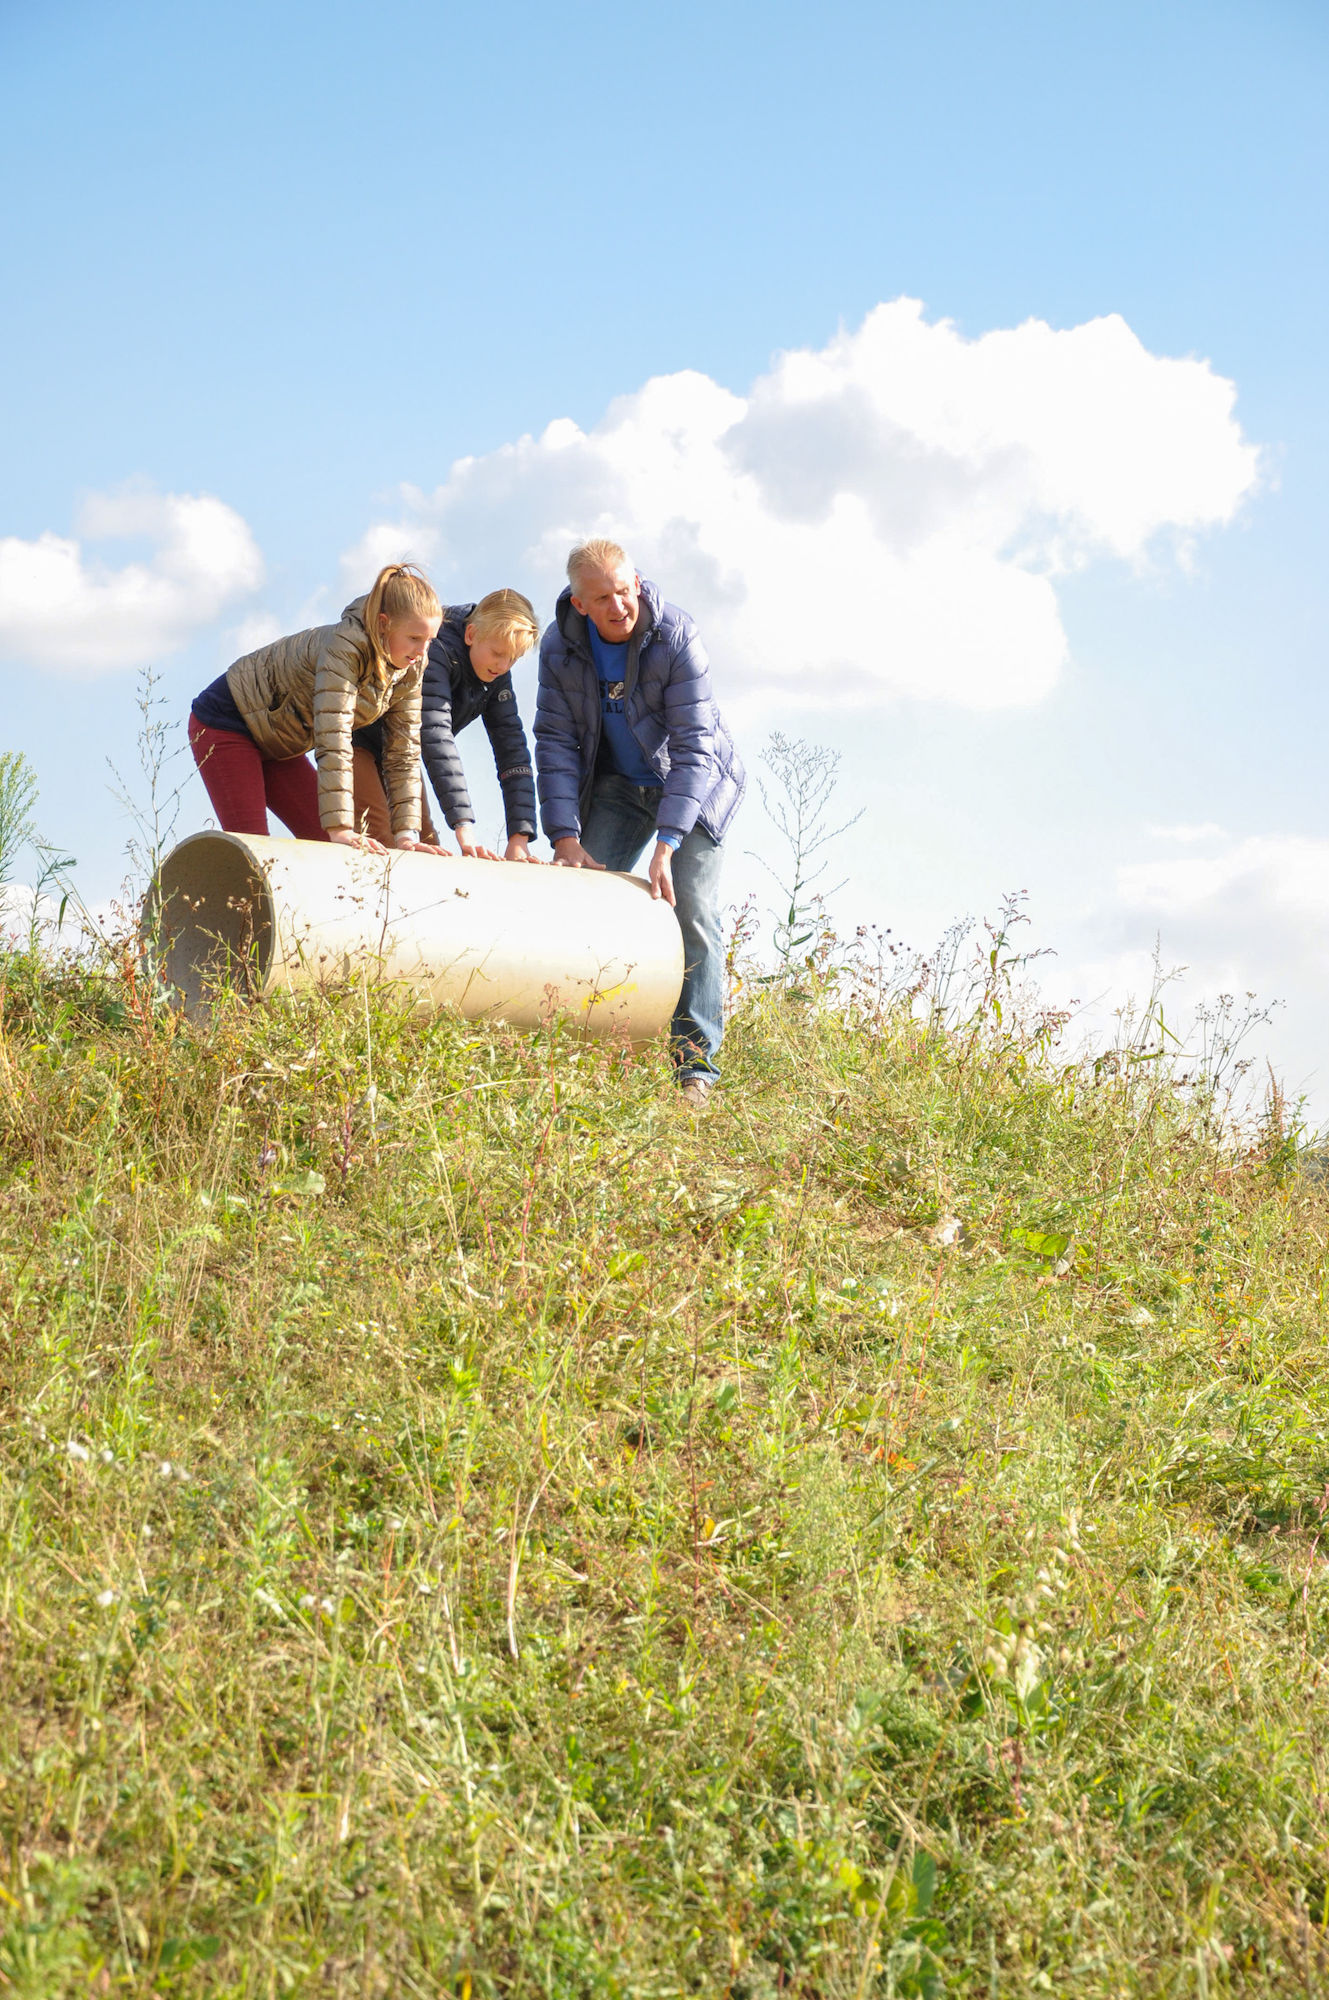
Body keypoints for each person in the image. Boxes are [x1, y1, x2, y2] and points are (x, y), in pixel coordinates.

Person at [534, 539, 745, 1105]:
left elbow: (696, 747)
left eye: (624, 591)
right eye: (603, 598)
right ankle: (585, 1051)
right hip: (617, 788)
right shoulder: (558, 647)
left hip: (691, 787)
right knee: (583, 901)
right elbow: (553, 741)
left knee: (692, 911)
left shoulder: (676, 634)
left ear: (636, 583)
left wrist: (669, 843)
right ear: (580, 604)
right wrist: (564, 836)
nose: (619, 606)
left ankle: (694, 1070)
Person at [188, 563, 445, 854]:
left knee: (329, 848)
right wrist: (340, 829)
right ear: (384, 623)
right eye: (414, 638)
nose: (424, 650)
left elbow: (404, 752)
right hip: (228, 722)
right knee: (255, 849)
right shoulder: (345, 648)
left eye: (430, 640)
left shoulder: (412, 665)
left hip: (280, 741)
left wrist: (407, 835)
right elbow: (333, 737)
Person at [351, 590, 541, 860]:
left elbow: (512, 750)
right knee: (385, 844)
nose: (503, 665)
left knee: (430, 846)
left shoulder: (498, 673)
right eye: (498, 653)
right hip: (360, 740)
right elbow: (435, 735)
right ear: (471, 635)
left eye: (513, 658)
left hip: (401, 755)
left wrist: (519, 838)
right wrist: (464, 827)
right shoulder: (436, 651)